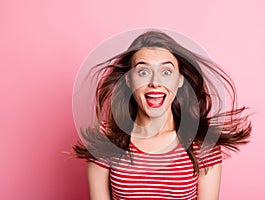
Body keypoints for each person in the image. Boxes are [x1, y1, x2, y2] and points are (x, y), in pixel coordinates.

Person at [73, 29, 251, 200]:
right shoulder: (105, 138)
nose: (155, 82)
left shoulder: (203, 143)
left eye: (166, 72)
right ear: (128, 79)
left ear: (180, 80)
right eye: (143, 72)